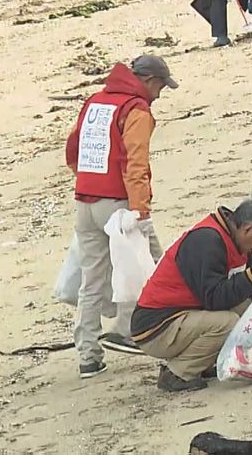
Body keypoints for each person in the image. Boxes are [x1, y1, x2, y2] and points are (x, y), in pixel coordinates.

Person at [65, 55, 176, 379]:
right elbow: (136, 163)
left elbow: (73, 150)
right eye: (160, 88)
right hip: (118, 205)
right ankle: (126, 329)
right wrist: (140, 210)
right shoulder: (136, 110)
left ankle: (88, 355)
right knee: (155, 268)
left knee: (92, 281)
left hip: (86, 202)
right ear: (150, 81)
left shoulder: (95, 102)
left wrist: (87, 181)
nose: (158, 96)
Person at [131, 197, 252, 391]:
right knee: (227, 323)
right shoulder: (207, 241)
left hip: (182, 315)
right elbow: (213, 299)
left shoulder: (233, 238)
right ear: (248, 229)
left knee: (248, 307)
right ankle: (177, 373)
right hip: (156, 327)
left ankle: (201, 361)